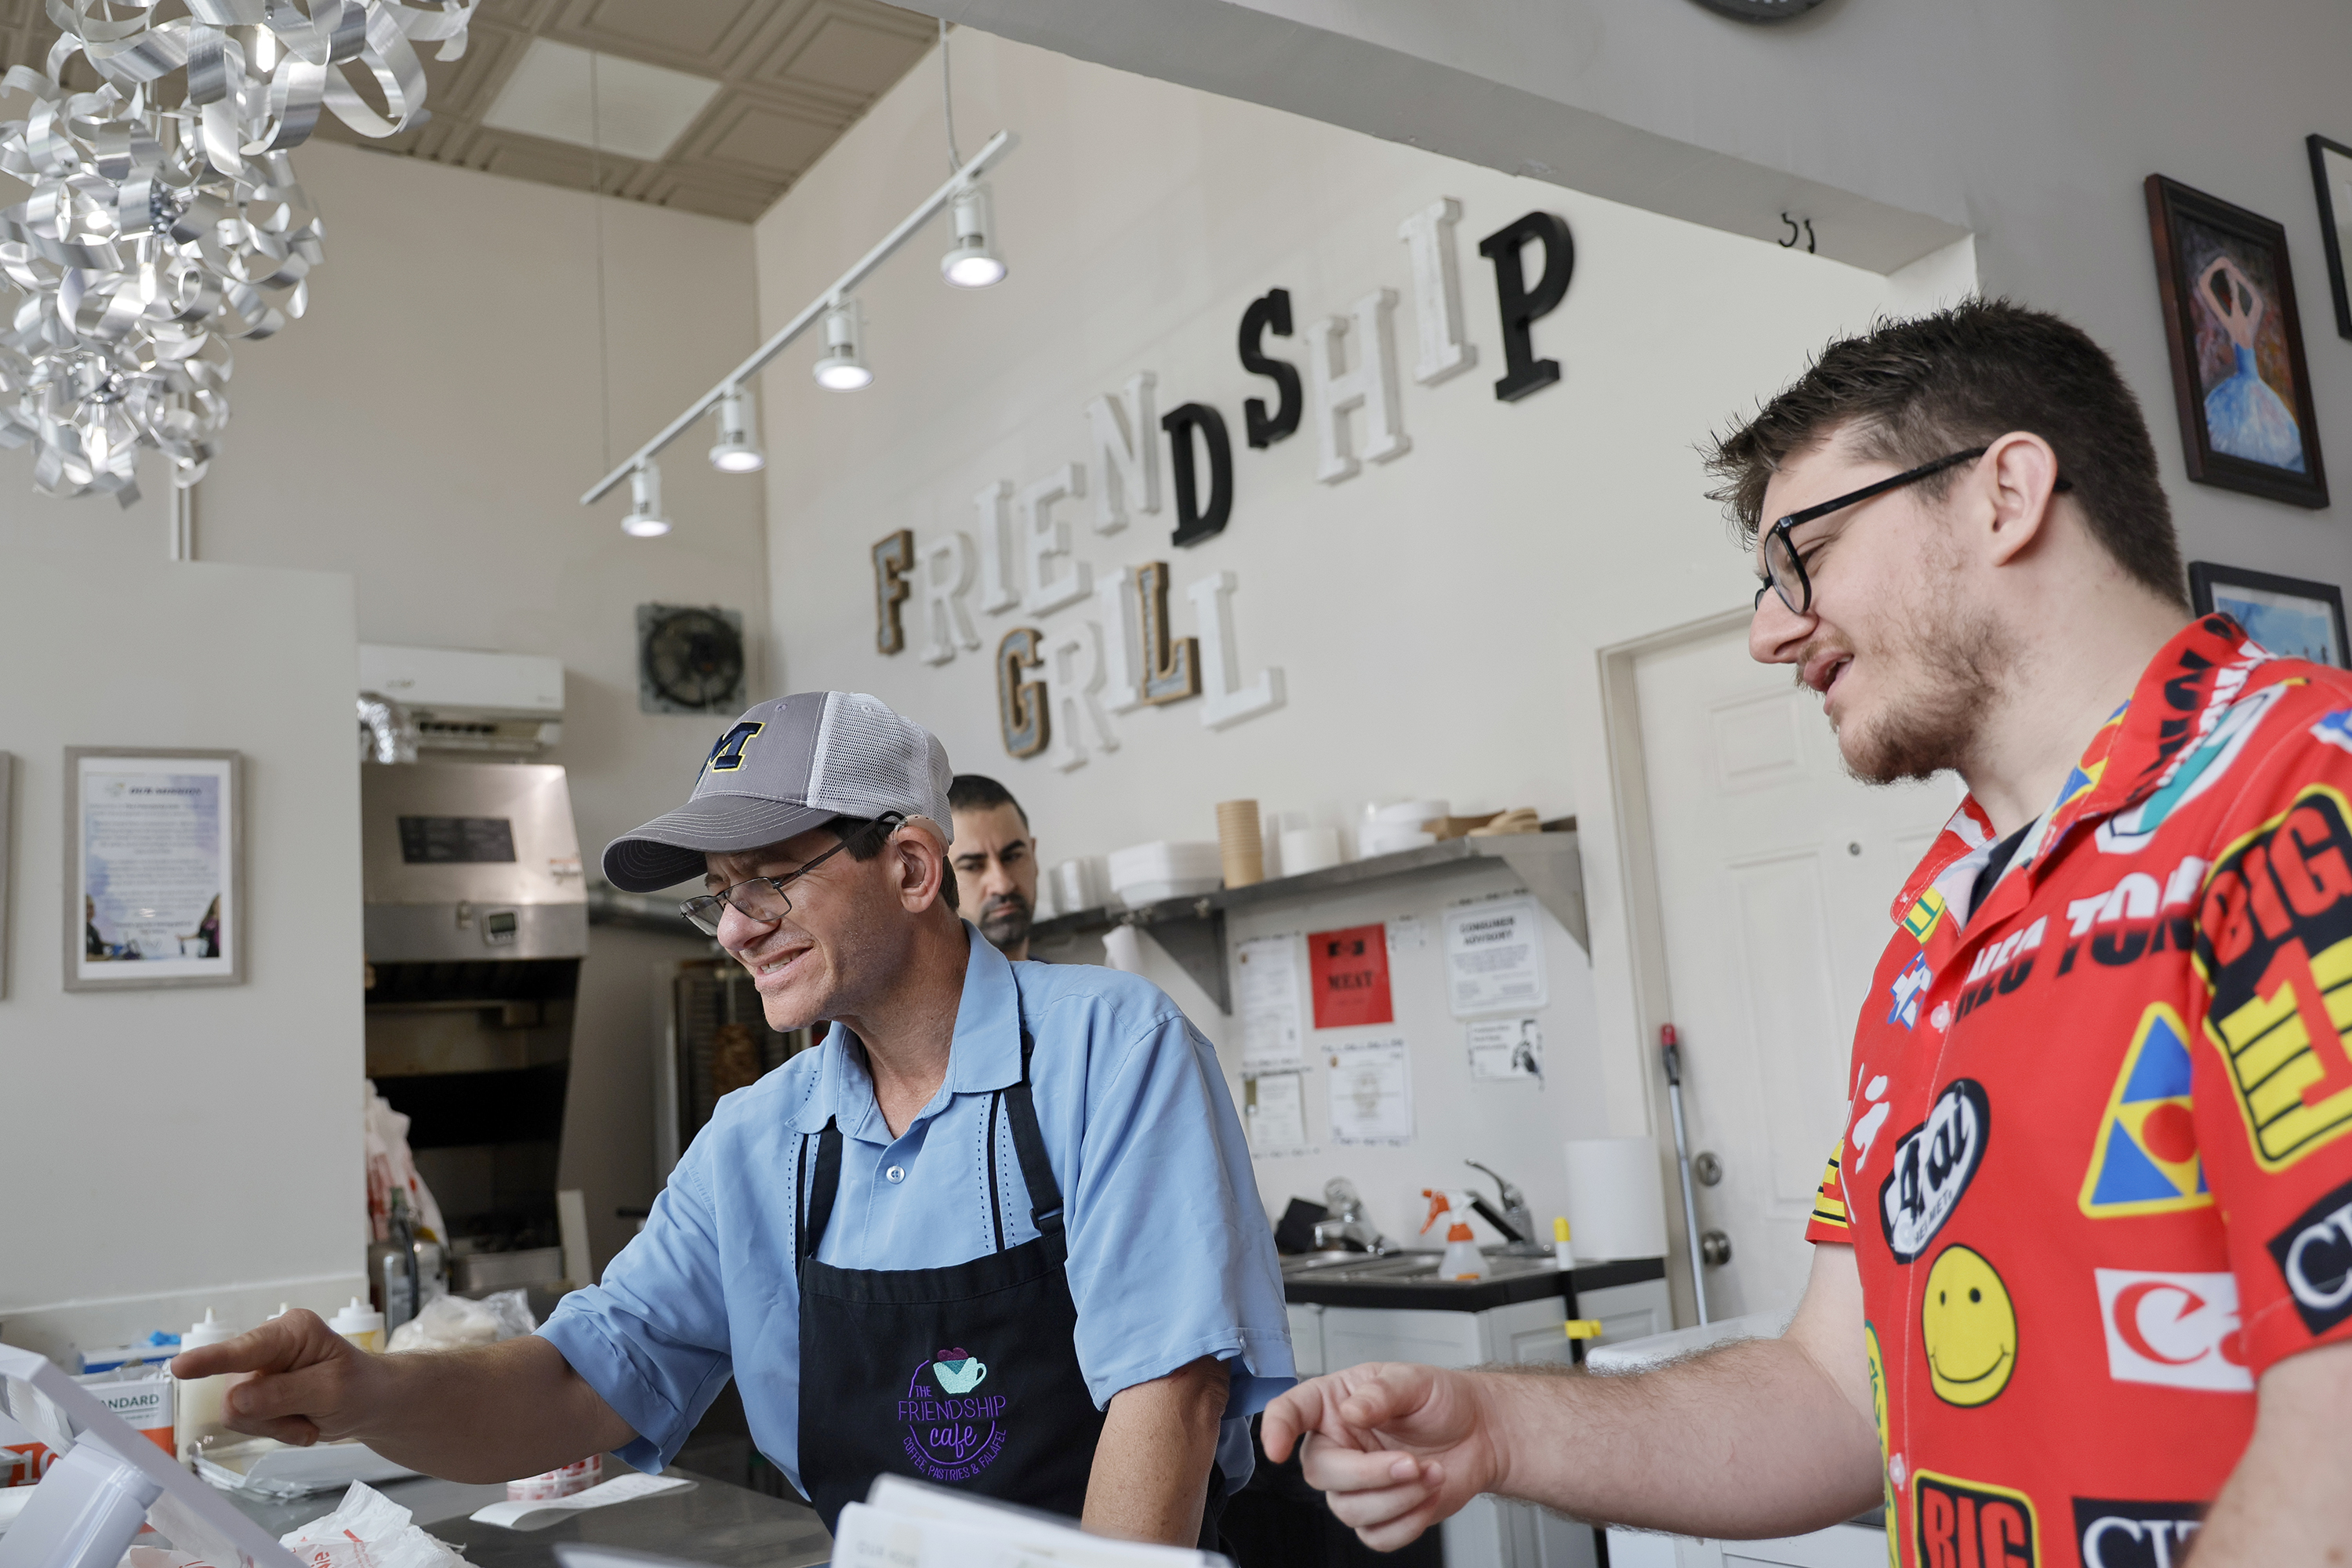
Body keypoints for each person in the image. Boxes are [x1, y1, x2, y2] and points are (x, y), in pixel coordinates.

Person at [1261, 301, 2352, 1566]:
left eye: (1808, 553)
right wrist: (1496, 1429)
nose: (1770, 630)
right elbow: (1838, 1393)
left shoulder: (2298, 790)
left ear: (2006, 493)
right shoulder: (1936, 930)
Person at [176, 691, 1294, 1547]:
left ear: (910, 865)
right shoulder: (760, 1139)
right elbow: (577, 1382)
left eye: (768, 880)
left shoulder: (1110, 1049)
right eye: (717, 893)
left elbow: (1172, 1399)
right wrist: (368, 1394)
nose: (734, 929)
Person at [950, 773, 1040, 960]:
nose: (1003, 885)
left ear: (1033, 856)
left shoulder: (1072, 987)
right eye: (973, 866)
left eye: (1012, 857)